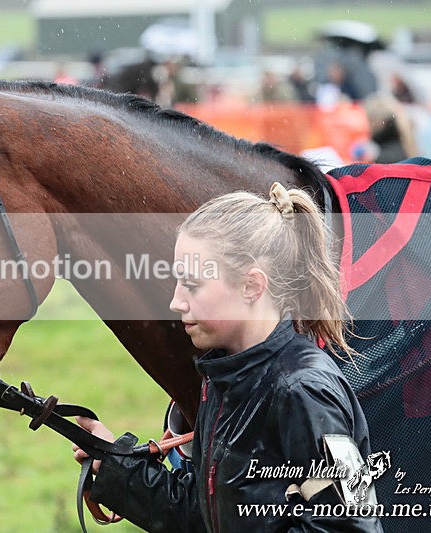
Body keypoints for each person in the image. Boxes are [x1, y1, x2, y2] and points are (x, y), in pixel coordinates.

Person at [73, 184, 381, 532]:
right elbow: (207, 512)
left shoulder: (304, 391)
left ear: (252, 286)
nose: (176, 302)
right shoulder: (222, 381)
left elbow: (350, 525)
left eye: (192, 284)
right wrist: (115, 466)